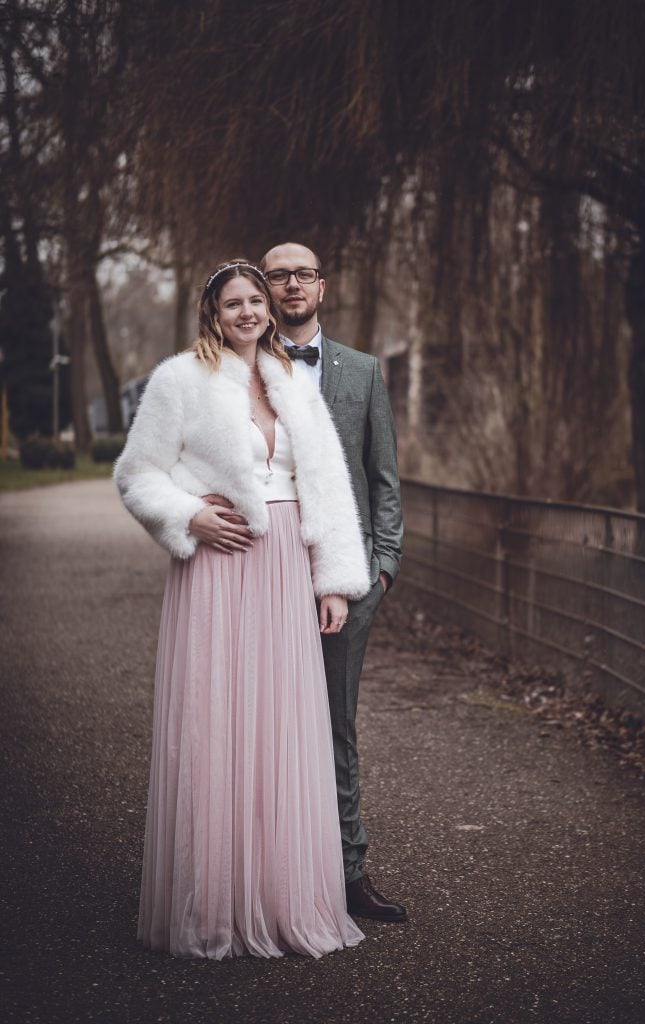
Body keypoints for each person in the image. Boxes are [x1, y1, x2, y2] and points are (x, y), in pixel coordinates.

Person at [114, 260, 369, 959]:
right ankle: (216, 903)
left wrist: (334, 580)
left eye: (258, 299)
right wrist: (188, 516)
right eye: (236, 302)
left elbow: (327, 485)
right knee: (218, 721)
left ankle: (284, 896)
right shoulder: (180, 381)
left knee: (282, 722)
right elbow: (136, 474)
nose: (251, 311)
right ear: (212, 312)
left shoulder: (292, 382)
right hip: (220, 569)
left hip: (288, 565)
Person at [260, 243, 405, 922]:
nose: (291, 284)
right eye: (278, 275)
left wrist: (382, 566)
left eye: (302, 274)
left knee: (336, 725)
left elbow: (385, 478)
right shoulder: (238, 366)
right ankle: (272, 871)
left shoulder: (365, 372)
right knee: (266, 722)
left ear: (323, 285)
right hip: (262, 573)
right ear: (264, 289)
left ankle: (349, 872)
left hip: (346, 575)